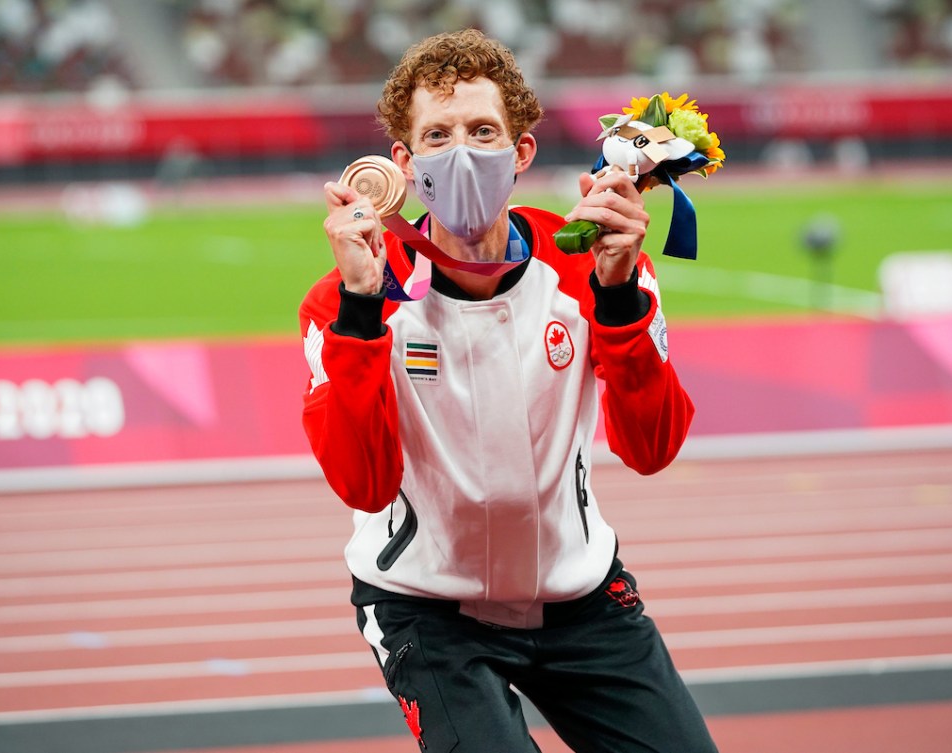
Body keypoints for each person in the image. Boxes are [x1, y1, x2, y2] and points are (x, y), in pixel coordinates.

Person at [299, 28, 717, 753]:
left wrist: (618, 298)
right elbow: (362, 485)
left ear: (520, 152)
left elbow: (651, 448)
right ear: (401, 164)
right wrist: (362, 311)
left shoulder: (593, 264)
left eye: (482, 130)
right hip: (427, 607)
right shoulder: (348, 302)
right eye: (437, 134)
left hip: (580, 598)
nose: (461, 152)